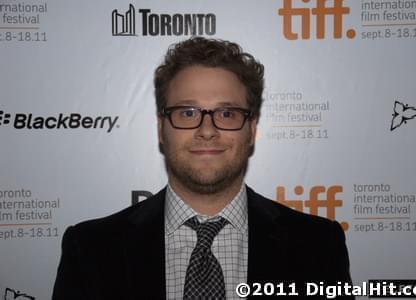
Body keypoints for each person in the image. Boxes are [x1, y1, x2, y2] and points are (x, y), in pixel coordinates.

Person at [52, 37, 353, 300]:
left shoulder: (318, 246)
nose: (207, 130)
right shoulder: (90, 250)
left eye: (226, 112)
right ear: (161, 129)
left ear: (251, 129)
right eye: (187, 112)